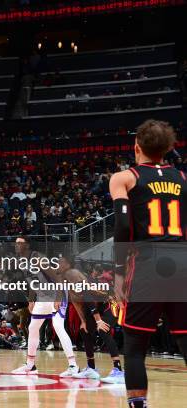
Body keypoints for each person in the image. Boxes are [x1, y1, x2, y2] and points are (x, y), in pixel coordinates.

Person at [110, 120, 187, 408]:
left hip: (147, 262)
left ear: (136, 147)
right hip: (183, 260)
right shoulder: (182, 177)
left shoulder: (124, 178)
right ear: (168, 149)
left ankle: (138, 404)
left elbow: (121, 224)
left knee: (134, 346)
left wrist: (118, 273)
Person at [11, 236, 78, 377]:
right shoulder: (21, 261)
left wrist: (59, 298)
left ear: (27, 245)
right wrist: (31, 300)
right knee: (32, 327)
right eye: (15, 243)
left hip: (56, 294)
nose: (16, 245)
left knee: (58, 326)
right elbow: (32, 281)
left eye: (20, 243)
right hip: (42, 297)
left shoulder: (38, 258)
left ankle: (73, 366)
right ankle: (30, 366)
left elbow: (58, 278)